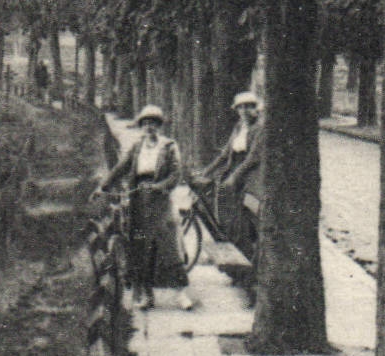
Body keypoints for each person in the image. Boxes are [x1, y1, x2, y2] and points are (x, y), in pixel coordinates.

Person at [98, 104, 195, 310]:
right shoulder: (137, 146)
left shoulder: (169, 146)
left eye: (153, 123)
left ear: (159, 125)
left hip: (159, 202)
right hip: (138, 203)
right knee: (141, 248)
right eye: (145, 123)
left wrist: (158, 187)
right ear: (141, 125)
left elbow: (176, 174)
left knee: (168, 245)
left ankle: (181, 295)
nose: (149, 127)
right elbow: (121, 167)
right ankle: (147, 296)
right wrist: (103, 186)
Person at [195, 91, 263, 259]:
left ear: (256, 109)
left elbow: (253, 158)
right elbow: (226, 154)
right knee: (227, 214)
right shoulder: (240, 126)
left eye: (249, 107)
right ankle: (236, 257)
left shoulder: (260, 128)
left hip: (251, 175)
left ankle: (249, 260)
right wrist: (206, 171)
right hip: (234, 170)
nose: (245, 111)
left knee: (243, 218)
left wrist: (234, 178)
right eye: (241, 108)